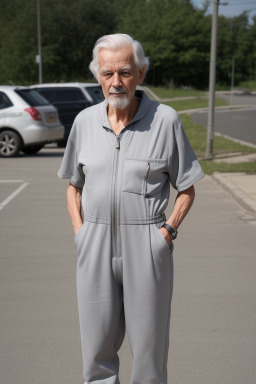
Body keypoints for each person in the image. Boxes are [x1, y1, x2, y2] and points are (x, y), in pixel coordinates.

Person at [58, 33, 204, 384]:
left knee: (149, 353)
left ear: (141, 73)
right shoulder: (84, 122)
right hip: (93, 242)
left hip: (147, 242)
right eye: (107, 73)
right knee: (96, 350)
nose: (116, 82)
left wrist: (166, 232)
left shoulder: (165, 120)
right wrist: (80, 230)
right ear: (98, 76)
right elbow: (72, 186)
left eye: (124, 72)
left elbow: (187, 188)